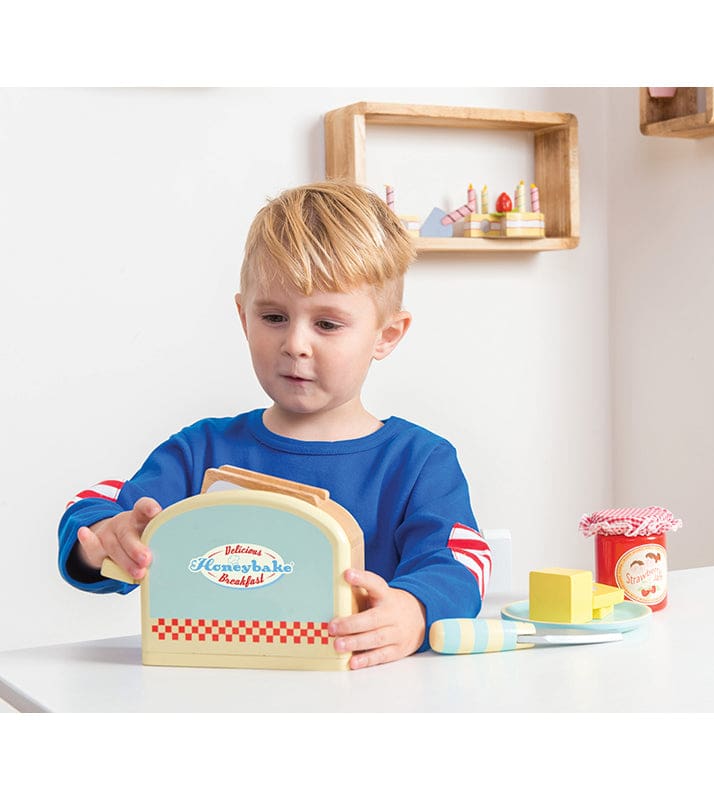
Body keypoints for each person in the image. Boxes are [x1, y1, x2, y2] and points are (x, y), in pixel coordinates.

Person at [58, 180, 491, 669]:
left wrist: (415, 610)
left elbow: (461, 561)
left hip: (362, 689)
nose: (295, 345)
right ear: (244, 317)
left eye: (327, 324)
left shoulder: (419, 462)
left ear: (386, 335)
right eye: (274, 317)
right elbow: (97, 508)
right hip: (213, 688)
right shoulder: (199, 450)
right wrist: (105, 535)